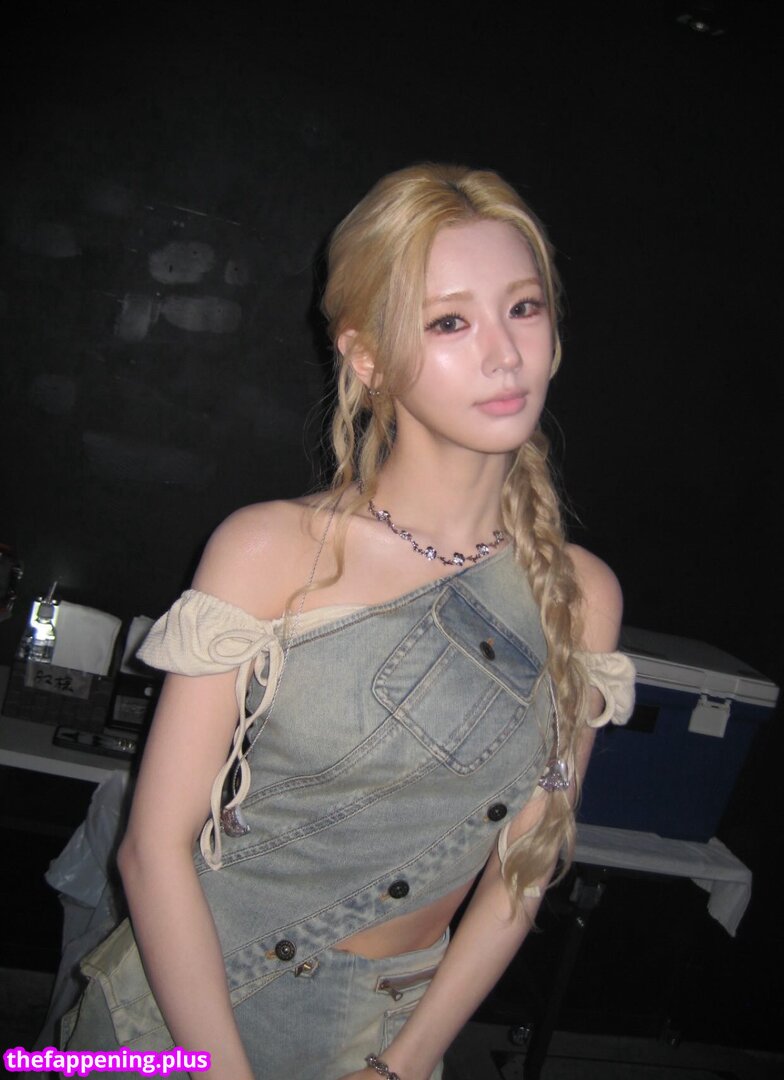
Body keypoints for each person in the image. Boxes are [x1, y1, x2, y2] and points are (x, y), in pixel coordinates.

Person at [60, 163, 635, 1080]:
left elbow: (522, 872)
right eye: (449, 322)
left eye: (523, 308)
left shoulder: (581, 596)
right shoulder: (269, 550)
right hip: (187, 1013)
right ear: (366, 357)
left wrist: (404, 1063)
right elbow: (150, 849)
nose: (504, 354)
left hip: (390, 1029)